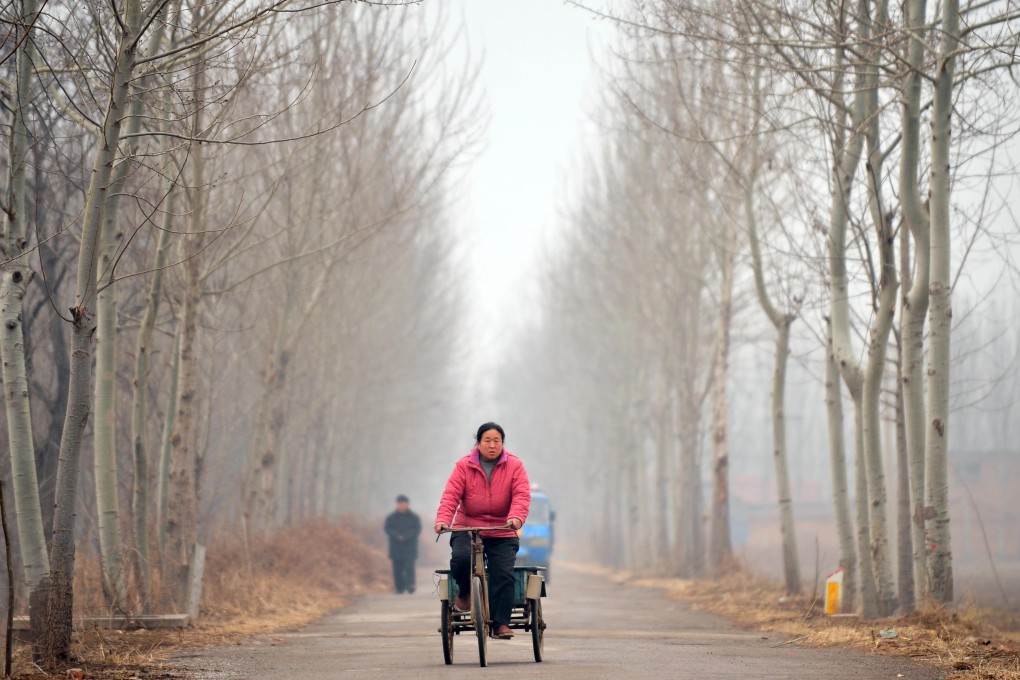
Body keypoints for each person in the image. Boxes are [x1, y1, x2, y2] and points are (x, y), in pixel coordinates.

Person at [435, 422, 530, 640]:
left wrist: (516, 518)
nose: (492, 445)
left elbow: (521, 496)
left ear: (502, 444)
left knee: (503, 574)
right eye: (487, 440)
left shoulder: (515, 465)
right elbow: (451, 496)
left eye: (497, 440)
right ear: (478, 443)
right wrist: (442, 520)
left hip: (502, 528)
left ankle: (501, 623)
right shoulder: (463, 466)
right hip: (468, 526)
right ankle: (466, 591)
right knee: (460, 559)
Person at [384, 494, 421, 594]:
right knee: (397, 568)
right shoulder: (391, 517)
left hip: (410, 546)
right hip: (396, 547)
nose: (402, 505)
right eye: (400, 503)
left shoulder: (414, 517)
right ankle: (399, 587)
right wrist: (397, 536)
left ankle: (410, 585)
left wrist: (407, 536)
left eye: (404, 503)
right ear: (397, 505)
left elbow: (417, 529)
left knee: (410, 567)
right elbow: (388, 529)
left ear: (408, 504)